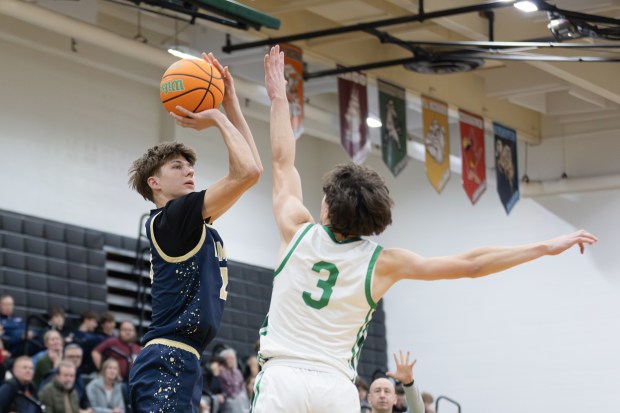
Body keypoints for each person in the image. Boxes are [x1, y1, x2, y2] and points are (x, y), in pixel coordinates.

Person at [252, 44, 599, 413]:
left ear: (328, 205)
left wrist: (278, 97)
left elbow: (281, 159)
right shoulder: (384, 262)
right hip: (336, 387)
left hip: (283, 376)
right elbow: (473, 264)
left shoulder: (296, 228)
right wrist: (544, 247)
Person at [127, 50, 262, 413]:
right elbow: (248, 172)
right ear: (154, 182)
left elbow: (252, 168)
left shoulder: (190, 221)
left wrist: (230, 100)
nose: (189, 171)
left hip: (182, 359)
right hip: (166, 360)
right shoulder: (173, 218)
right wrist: (217, 115)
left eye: (190, 165)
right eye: (177, 166)